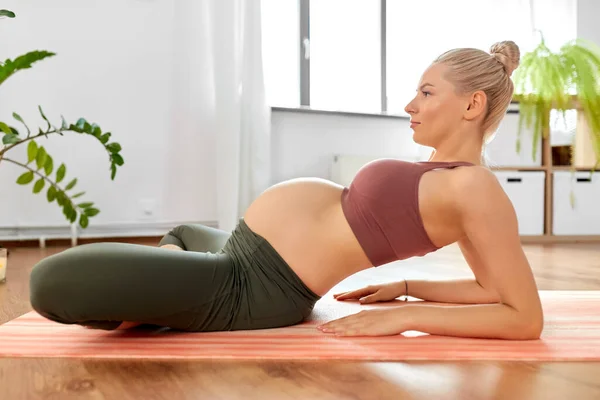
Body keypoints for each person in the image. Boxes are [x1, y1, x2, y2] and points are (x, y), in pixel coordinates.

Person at [29, 40, 544, 340]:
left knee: (51, 281)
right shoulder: (446, 170)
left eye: (427, 93)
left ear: (472, 106)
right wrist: (408, 286)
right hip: (240, 255)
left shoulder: (476, 188)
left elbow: (521, 315)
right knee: (185, 230)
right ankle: (164, 300)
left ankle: (168, 299)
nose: (411, 104)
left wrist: (406, 317)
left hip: (254, 287)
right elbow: (487, 289)